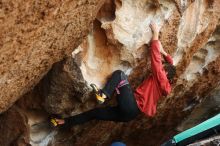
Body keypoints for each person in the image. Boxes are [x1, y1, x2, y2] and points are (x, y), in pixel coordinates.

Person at [54, 22, 176, 127]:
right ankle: (64, 122)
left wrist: (155, 33)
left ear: (164, 72)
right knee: (95, 113)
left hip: (131, 105)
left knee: (120, 75)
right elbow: (172, 65)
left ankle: (104, 94)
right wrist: (164, 52)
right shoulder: (166, 83)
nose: (161, 66)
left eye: (163, 67)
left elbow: (155, 58)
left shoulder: (161, 77)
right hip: (129, 115)